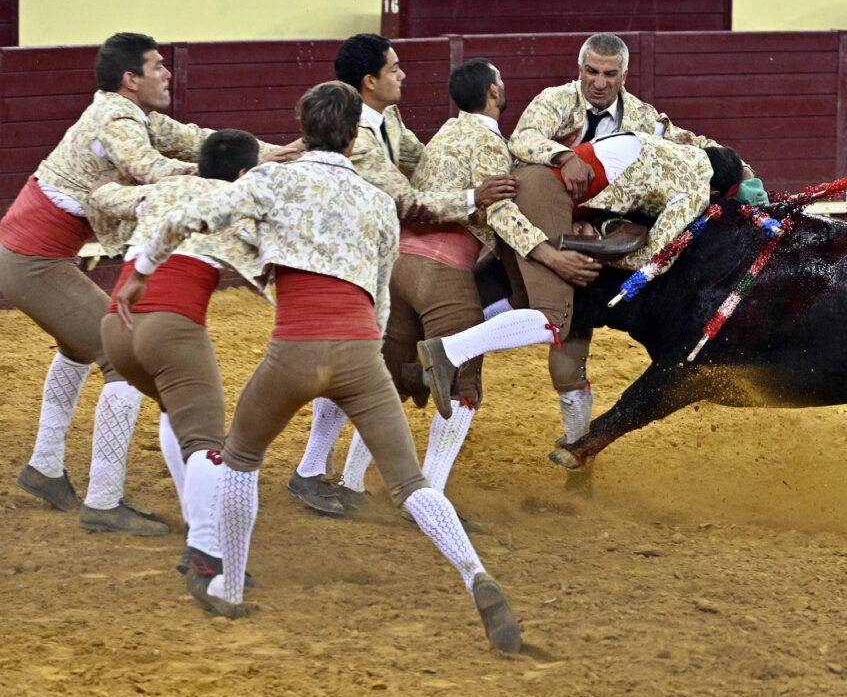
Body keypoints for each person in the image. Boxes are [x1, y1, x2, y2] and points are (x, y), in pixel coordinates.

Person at [117, 81, 522, 653]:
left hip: (293, 350)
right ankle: (475, 573)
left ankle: (228, 587)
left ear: (304, 132)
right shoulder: (377, 201)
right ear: (355, 134)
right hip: (359, 353)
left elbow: (187, 214)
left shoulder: (272, 180)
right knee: (410, 483)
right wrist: (370, 353)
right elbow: (380, 295)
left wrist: (141, 272)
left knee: (239, 461)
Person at [0, 32, 293, 534]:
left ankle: (45, 467)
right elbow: (150, 168)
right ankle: (103, 501)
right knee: (120, 356)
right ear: (130, 79)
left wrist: (273, 152)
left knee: (78, 347)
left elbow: (195, 137)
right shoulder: (118, 119)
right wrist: (221, 174)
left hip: (30, 254)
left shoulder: (132, 114)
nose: (167, 72)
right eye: (157, 65)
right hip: (34, 260)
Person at [288, 34, 516, 515]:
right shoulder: (358, 139)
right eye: (393, 69)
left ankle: (328, 473)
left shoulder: (386, 118)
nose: (403, 74)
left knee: (369, 367)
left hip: (383, 260)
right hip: (342, 260)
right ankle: (310, 471)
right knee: (350, 363)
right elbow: (408, 202)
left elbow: (422, 161)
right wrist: (474, 197)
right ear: (369, 81)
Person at [418, 133, 749, 449]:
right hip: (548, 202)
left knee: (522, 301)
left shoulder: (666, 142)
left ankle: (418, 368)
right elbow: (655, 259)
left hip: (526, 185)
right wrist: (592, 253)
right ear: (715, 191)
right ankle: (449, 351)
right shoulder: (697, 188)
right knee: (553, 320)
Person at [508, 32, 727, 444]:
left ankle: (577, 445)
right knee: (512, 296)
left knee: (569, 354)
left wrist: (740, 169)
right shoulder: (556, 100)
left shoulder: (642, 116)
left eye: (610, 74)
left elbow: (693, 145)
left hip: (602, 237)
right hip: (544, 227)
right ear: (579, 70)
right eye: (591, 72)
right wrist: (564, 156)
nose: (599, 82)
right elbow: (522, 138)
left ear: (624, 76)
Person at [92, 129, 265, 578]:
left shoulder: (161, 190)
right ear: (243, 174)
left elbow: (106, 197)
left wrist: (101, 184)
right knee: (205, 441)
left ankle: (196, 519)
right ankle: (207, 551)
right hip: (171, 328)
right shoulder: (239, 201)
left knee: (175, 410)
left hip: (117, 327)